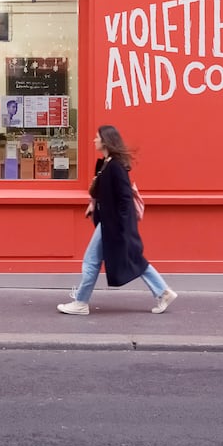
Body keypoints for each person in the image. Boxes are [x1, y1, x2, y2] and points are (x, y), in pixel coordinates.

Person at [57, 124, 177, 316]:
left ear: (105, 141)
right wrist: (93, 204)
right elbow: (103, 191)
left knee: (92, 261)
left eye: (97, 137)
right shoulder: (106, 164)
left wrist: (121, 228)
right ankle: (163, 292)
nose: (94, 140)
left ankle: (80, 302)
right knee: (130, 258)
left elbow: (124, 199)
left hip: (112, 224)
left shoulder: (115, 167)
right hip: (109, 222)